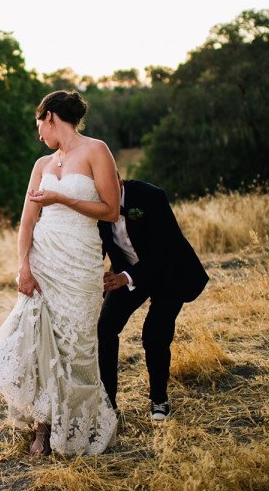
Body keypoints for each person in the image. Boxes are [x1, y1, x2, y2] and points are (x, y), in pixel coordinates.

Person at [0, 90, 119, 457]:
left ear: (52, 118)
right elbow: (27, 220)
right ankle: (43, 429)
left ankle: (77, 427)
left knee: (76, 348)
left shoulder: (96, 151)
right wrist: (23, 267)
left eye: (39, 124)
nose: (39, 134)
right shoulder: (41, 165)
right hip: (44, 262)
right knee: (38, 344)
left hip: (79, 263)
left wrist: (63, 199)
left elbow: (110, 209)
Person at [97, 178, 209, 421]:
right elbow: (97, 247)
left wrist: (126, 278)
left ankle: (159, 399)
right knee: (105, 328)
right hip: (127, 272)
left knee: (154, 333)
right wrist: (94, 275)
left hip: (168, 272)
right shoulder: (97, 207)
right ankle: (108, 403)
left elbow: (166, 250)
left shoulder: (151, 196)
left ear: (117, 179)